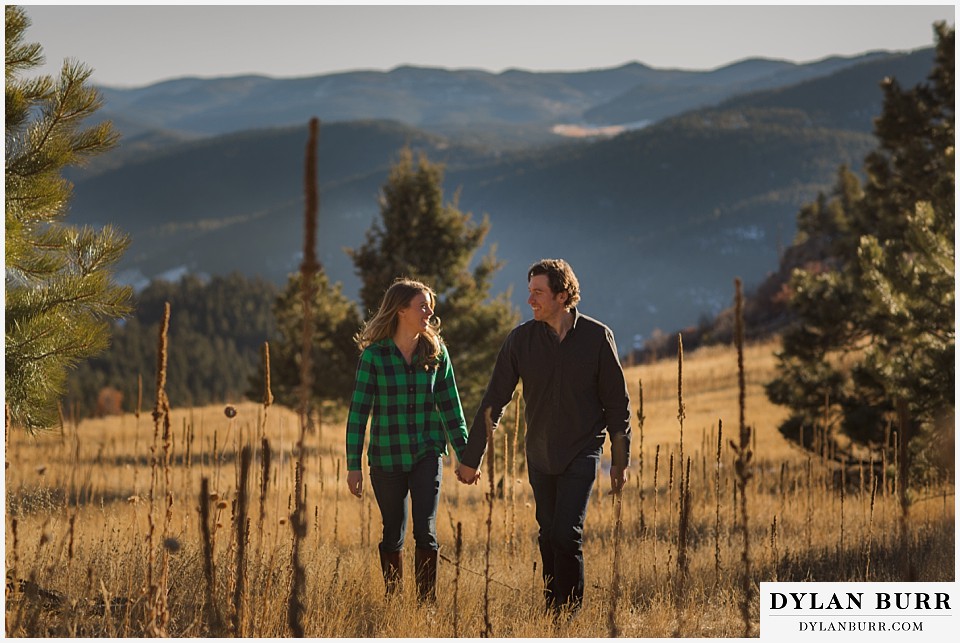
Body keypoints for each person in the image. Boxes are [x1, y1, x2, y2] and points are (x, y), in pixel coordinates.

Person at [457, 258, 631, 616]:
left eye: (538, 293)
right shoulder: (520, 340)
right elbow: (494, 400)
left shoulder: (598, 337)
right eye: (530, 292)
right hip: (538, 453)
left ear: (562, 295)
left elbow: (617, 403)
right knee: (548, 534)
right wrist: (471, 458)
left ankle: (569, 616)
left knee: (567, 534)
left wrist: (620, 458)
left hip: (582, 449)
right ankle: (553, 609)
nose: (530, 300)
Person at [345, 278, 470, 604]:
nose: (430, 311)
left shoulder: (436, 353)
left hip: (426, 452)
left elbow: (450, 407)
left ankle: (426, 606)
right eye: (422, 305)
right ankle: (394, 599)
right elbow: (358, 414)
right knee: (392, 531)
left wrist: (465, 455)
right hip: (386, 456)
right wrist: (353, 466)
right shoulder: (375, 357)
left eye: (429, 305)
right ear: (401, 309)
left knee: (425, 530)